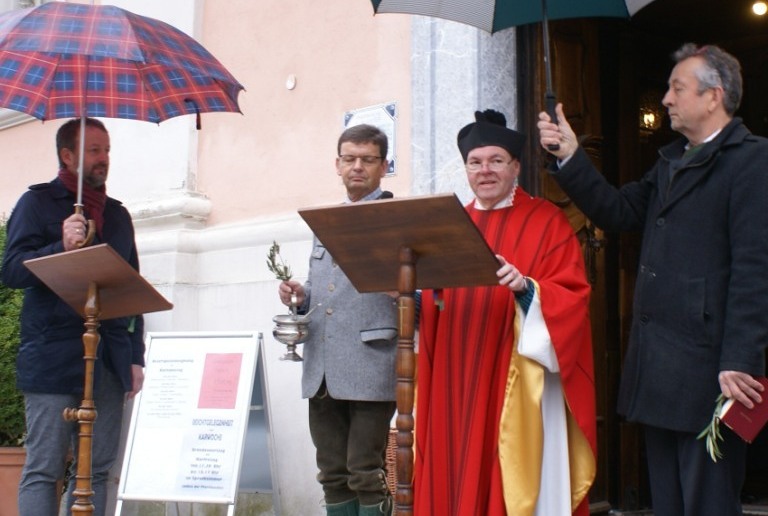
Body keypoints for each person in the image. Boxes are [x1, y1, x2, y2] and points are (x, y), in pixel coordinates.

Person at [537, 43, 767, 516]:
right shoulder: (670, 160)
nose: (665, 99)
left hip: (714, 371)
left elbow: (754, 267)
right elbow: (618, 211)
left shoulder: (753, 160)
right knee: (669, 503)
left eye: (677, 88)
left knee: (708, 504)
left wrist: (739, 360)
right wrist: (571, 154)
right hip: (660, 366)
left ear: (713, 96)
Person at [414, 109, 597, 516]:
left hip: (516, 374)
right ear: (465, 170)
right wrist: (417, 296)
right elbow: (436, 301)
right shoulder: (449, 227)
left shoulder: (547, 221)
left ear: (515, 167)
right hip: (455, 373)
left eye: (496, 160)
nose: (485, 171)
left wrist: (527, 289)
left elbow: (572, 297)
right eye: (475, 162)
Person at [1, 117, 145, 516]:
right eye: (94, 150)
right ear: (67, 156)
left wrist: (135, 356)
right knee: (44, 469)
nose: (104, 158)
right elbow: (11, 271)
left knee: (98, 470)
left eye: (107, 150)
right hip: (52, 356)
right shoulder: (36, 204)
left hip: (109, 359)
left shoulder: (118, 216)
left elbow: (132, 289)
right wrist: (59, 246)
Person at [277, 123, 397, 516]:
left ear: (384, 166)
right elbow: (321, 288)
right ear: (338, 164)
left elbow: (414, 289)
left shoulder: (396, 218)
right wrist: (299, 297)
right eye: (350, 159)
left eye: (367, 159)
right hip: (322, 366)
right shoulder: (325, 221)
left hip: (370, 363)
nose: (357, 167)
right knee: (331, 472)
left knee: (365, 471)